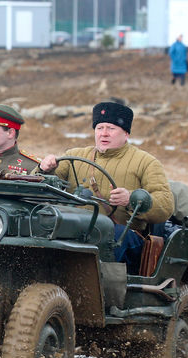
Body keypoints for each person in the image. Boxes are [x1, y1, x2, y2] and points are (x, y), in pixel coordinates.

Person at [40, 102, 174, 273]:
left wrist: (131, 199)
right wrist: (44, 170)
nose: (103, 133)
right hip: (73, 227)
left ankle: (100, 287)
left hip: (121, 235)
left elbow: (166, 205)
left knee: (113, 236)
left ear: (126, 133)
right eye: (99, 128)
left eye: (111, 128)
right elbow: (39, 186)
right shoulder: (74, 156)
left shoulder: (146, 163)